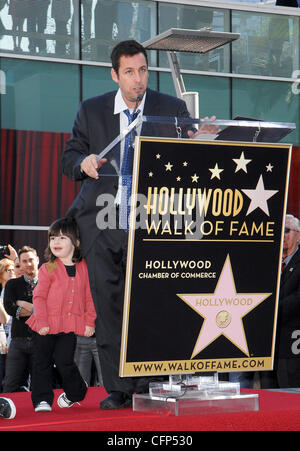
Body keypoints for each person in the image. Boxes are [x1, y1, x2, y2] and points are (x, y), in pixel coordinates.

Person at [62, 39, 217, 410]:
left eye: (143, 70)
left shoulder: (172, 109)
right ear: (115, 74)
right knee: (110, 304)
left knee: (150, 301)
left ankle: (152, 380)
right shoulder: (92, 109)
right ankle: (119, 387)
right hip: (101, 221)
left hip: (153, 219)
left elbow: (190, 157)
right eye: (129, 72)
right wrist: (82, 162)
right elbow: (69, 156)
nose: (138, 79)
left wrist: (204, 144)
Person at [26, 217, 96, 412]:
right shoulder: (48, 268)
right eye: (53, 237)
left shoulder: (85, 268)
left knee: (65, 363)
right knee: (42, 362)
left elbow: (90, 298)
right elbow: (38, 297)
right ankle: (42, 399)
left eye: (62, 238)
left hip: (69, 326)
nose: (56, 242)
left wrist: (90, 321)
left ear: (76, 242)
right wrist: (41, 322)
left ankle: (76, 392)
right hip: (44, 326)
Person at [259, 214, 300, 388]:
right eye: (279, 231)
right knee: (268, 398)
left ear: (298, 235)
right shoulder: (267, 264)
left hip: (291, 346)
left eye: (287, 231)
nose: (282, 235)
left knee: (289, 397)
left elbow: (297, 299)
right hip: (266, 347)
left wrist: (269, 310)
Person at [2, 246, 39, 393]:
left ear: (37, 260)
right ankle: (5, 412)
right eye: (24, 261)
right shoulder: (12, 284)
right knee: (10, 383)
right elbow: (9, 308)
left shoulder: (48, 283)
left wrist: (22, 304)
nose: (28, 264)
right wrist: (36, 310)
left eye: (31, 260)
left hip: (40, 340)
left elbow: (50, 310)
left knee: (39, 383)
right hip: (18, 341)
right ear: (20, 264)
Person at [0, 258, 15, 391]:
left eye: (12, 269)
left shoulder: (14, 288)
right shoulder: (2, 292)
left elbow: (7, 319)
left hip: (12, 336)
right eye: (7, 270)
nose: (11, 272)